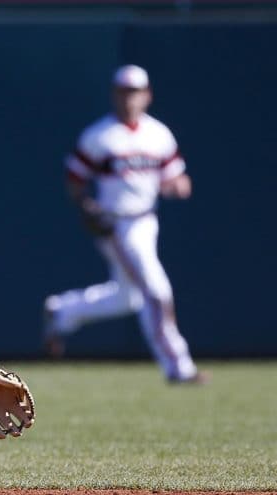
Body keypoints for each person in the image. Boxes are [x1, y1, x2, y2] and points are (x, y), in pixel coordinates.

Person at [42, 65, 204, 384]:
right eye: (123, 92)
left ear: (147, 95)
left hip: (146, 221)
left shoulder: (158, 134)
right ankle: (178, 366)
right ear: (114, 95)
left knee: (128, 298)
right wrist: (87, 206)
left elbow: (175, 175)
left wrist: (178, 185)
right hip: (116, 224)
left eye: (135, 92)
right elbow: (75, 179)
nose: (129, 98)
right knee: (156, 291)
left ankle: (63, 311)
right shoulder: (99, 135)